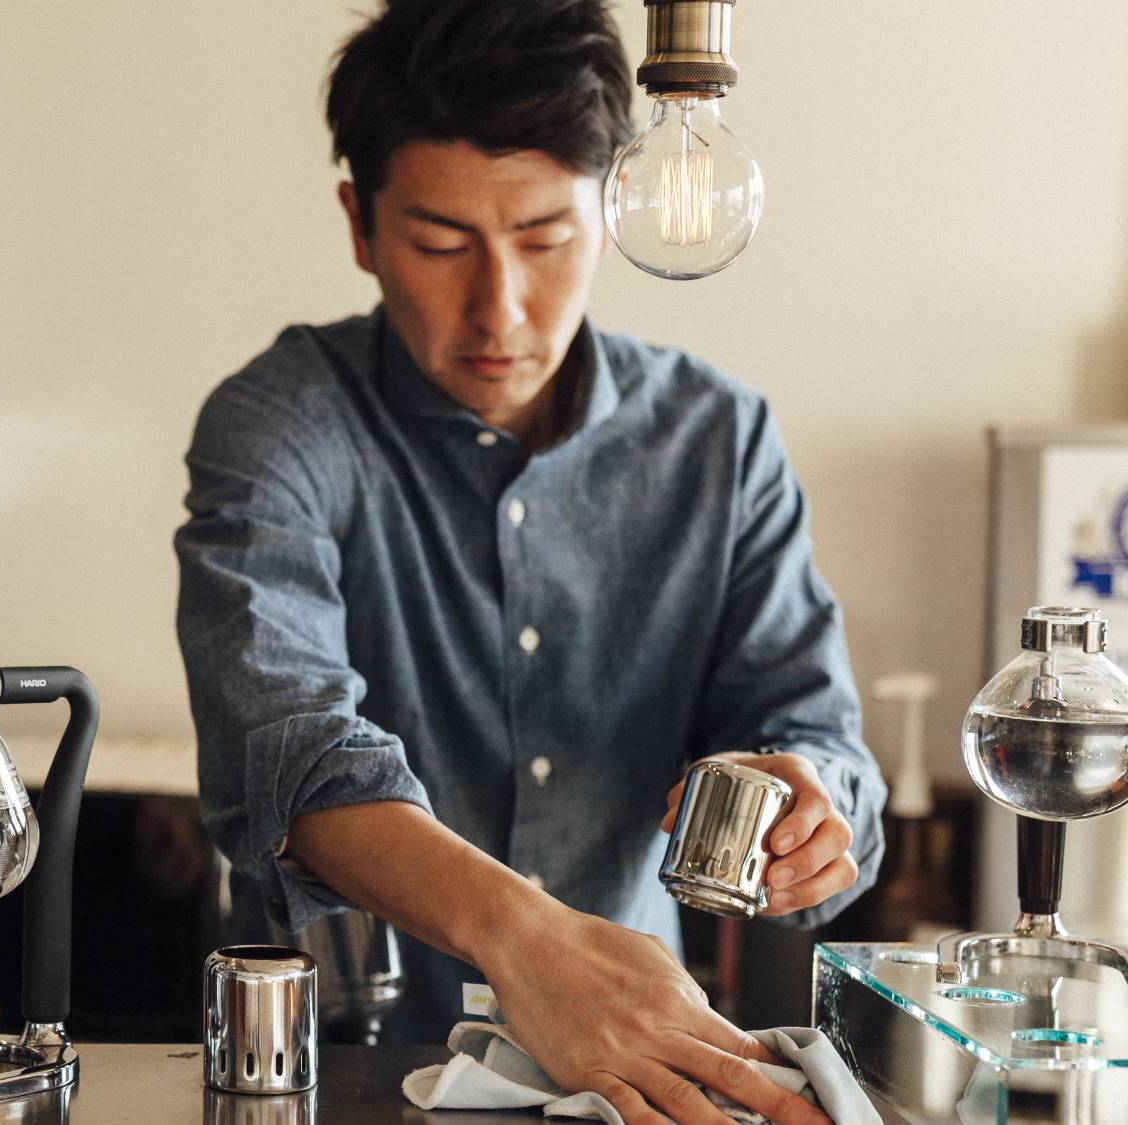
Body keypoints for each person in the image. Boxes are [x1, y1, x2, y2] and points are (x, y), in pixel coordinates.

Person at [174, 3, 885, 1121]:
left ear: (611, 210)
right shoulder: (280, 424)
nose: (497, 308)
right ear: (360, 225)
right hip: (326, 1078)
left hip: (631, 1078)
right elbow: (285, 747)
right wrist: (525, 944)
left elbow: (813, 734)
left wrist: (813, 809)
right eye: (440, 243)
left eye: (545, 240)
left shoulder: (718, 438)